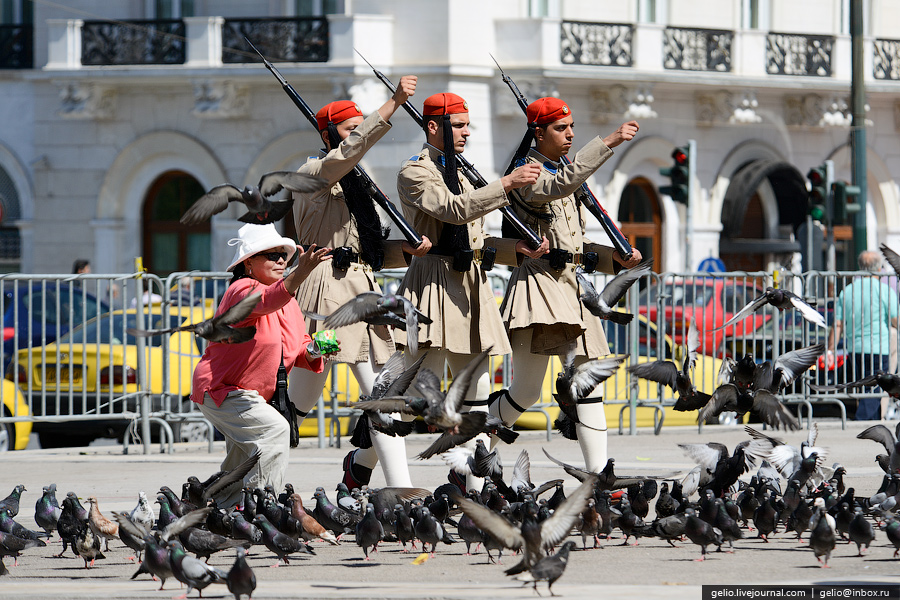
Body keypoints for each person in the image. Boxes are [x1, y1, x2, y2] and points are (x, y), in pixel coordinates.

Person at [395, 92, 549, 491]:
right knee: (410, 396)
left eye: (467, 124)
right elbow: (453, 210)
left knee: (477, 392)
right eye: (459, 125)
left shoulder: (462, 170)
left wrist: (513, 249)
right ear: (434, 127)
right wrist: (507, 183)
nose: (467, 132)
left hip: (470, 285)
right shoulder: (415, 172)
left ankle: (473, 487)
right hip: (433, 285)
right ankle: (362, 467)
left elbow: (474, 238)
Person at [288, 75, 433, 490]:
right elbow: (348, 154)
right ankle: (250, 473)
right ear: (329, 134)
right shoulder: (313, 172)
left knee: (384, 396)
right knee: (299, 402)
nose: (357, 137)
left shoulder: (357, 183)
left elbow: (367, 249)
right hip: (327, 294)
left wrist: (405, 252)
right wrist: (392, 104)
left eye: (358, 128)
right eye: (350, 129)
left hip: (362, 292)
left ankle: (395, 489)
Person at [490, 97, 642, 472]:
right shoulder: (528, 174)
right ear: (538, 133)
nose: (571, 134)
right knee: (524, 391)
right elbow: (558, 185)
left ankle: (598, 478)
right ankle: (474, 448)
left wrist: (614, 258)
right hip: (540, 290)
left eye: (572, 126)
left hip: (574, 290)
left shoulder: (566, 174)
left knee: (588, 385)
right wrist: (608, 142)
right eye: (561, 128)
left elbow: (575, 247)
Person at [191, 223, 335, 506]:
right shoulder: (241, 290)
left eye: (283, 255)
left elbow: (298, 349)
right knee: (274, 431)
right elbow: (268, 300)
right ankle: (263, 508)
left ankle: (207, 506)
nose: (281, 260)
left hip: (251, 397)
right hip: (222, 390)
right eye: (271, 255)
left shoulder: (289, 303)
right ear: (248, 262)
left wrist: (317, 348)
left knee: (243, 461)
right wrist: (302, 271)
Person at [826, 250, 899, 420]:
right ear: (879, 269)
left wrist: (830, 350)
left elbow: (837, 324)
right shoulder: (885, 290)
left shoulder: (848, 291)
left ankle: (872, 425)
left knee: (864, 387)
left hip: (855, 348)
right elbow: (896, 320)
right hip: (878, 346)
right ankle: (862, 420)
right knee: (876, 389)